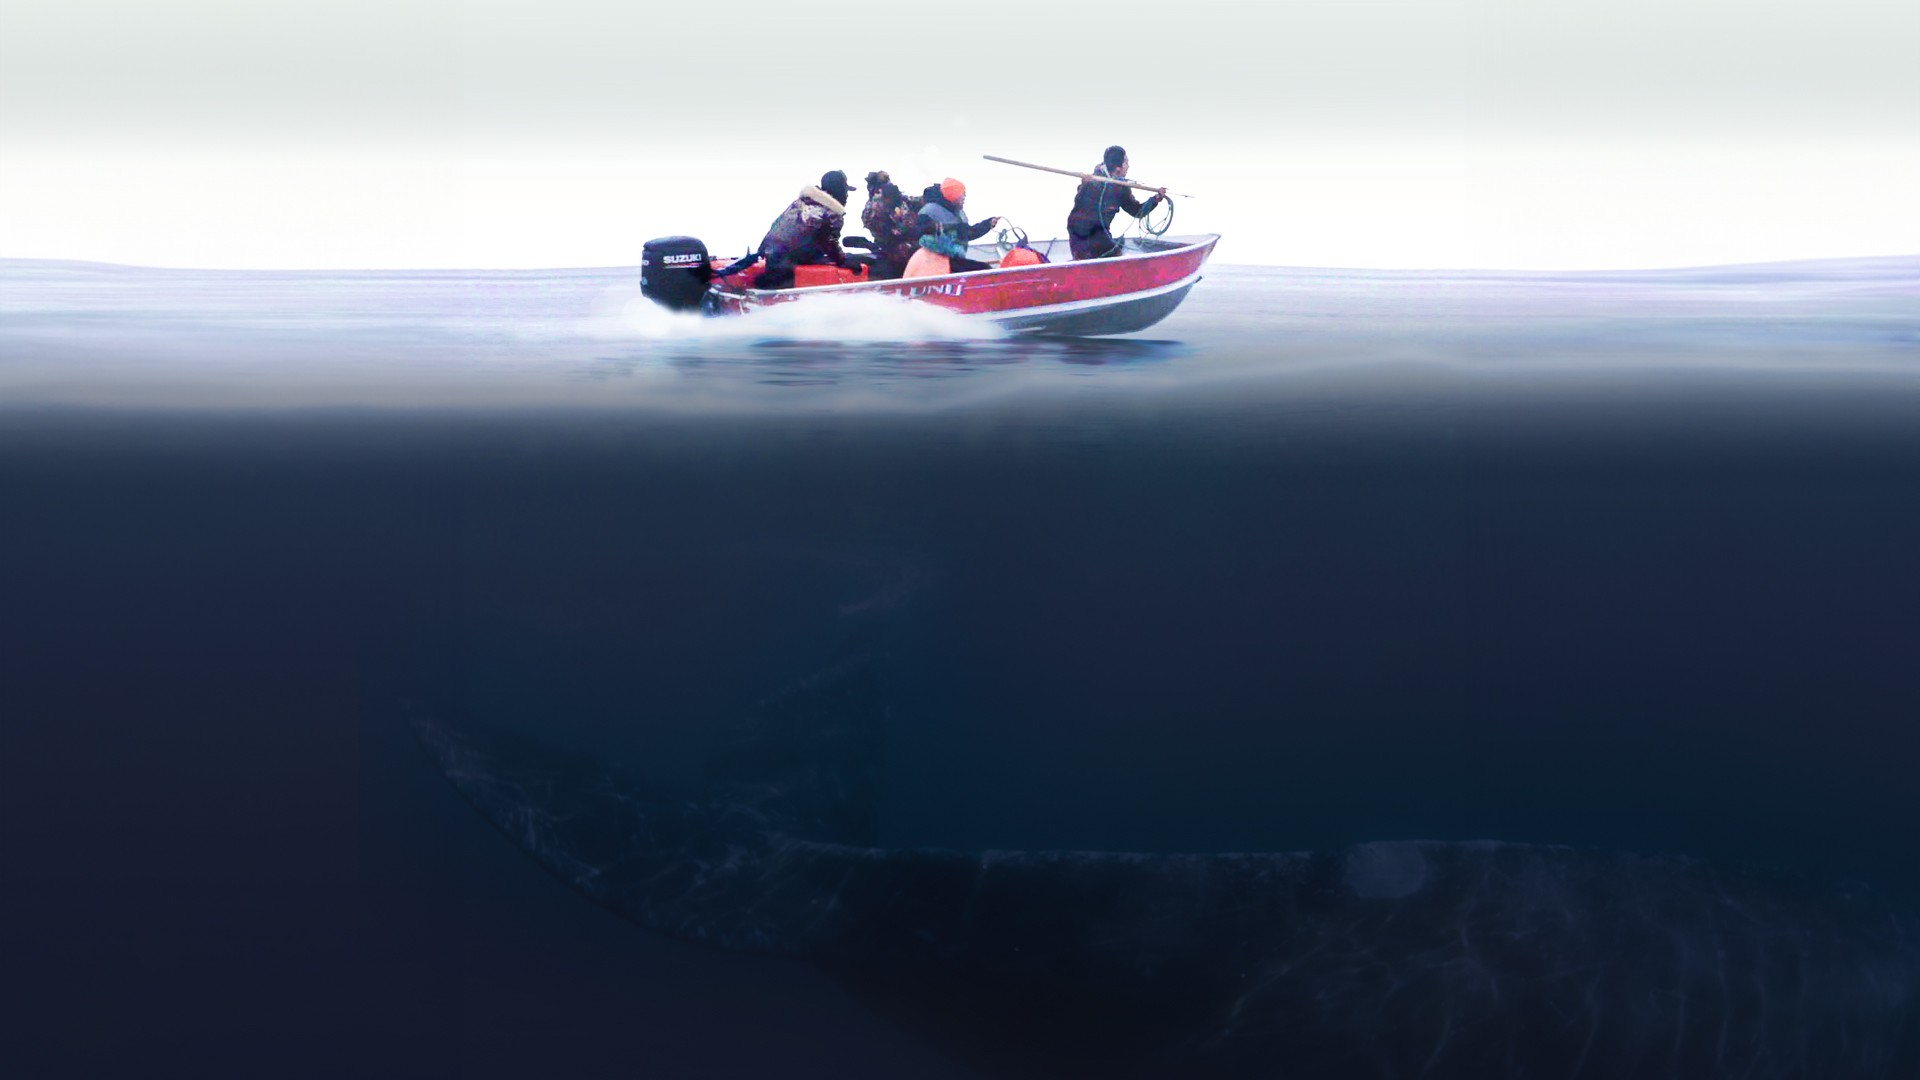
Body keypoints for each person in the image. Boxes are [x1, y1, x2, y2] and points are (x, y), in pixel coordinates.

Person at [753, 170, 854, 290]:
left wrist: (763, 250)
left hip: (771, 252)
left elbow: (777, 226)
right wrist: (843, 260)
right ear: (838, 190)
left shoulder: (801, 203)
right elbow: (829, 242)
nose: (847, 196)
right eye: (845, 191)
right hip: (788, 261)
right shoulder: (831, 212)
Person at [1066, 146, 1166, 260]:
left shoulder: (1121, 188)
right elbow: (1079, 203)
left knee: (1116, 257)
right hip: (1080, 232)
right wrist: (1084, 185)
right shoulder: (1093, 181)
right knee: (1086, 263)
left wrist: (1155, 200)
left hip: (1101, 233)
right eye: (1126, 162)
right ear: (1118, 168)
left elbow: (1136, 211)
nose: (1128, 166)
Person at [907, 178, 1000, 276]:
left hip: (955, 260)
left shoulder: (959, 213)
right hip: (934, 261)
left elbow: (968, 233)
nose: (964, 197)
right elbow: (917, 236)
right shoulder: (930, 211)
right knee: (984, 271)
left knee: (985, 269)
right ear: (953, 195)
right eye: (962, 194)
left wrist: (987, 224)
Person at [859, 170, 923, 281]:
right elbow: (902, 228)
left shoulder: (895, 198)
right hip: (893, 251)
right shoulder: (876, 205)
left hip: (898, 247)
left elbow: (912, 201)